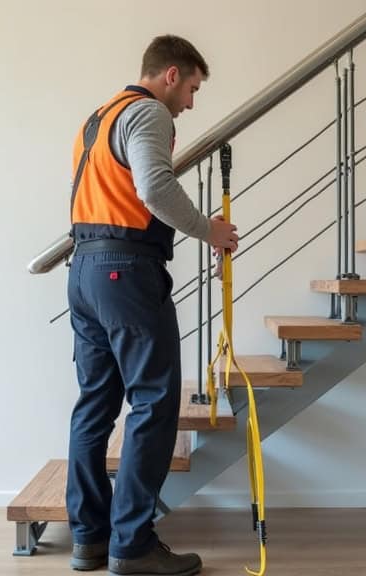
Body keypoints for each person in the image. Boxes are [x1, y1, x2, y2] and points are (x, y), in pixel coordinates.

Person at [66, 34, 239, 575]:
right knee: (155, 401)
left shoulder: (98, 118)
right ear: (170, 74)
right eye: (191, 88)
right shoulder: (147, 114)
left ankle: (90, 539)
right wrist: (208, 229)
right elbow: (155, 187)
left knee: (95, 405)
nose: (190, 103)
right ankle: (132, 546)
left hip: (84, 270)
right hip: (126, 274)